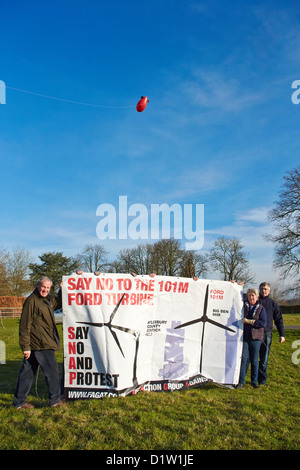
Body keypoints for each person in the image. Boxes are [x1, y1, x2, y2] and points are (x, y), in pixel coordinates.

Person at [13, 277, 64, 409]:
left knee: (27, 373)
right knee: (52, 371)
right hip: (41, 343)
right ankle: (54, 401)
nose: (45, 290)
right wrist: (25, 347)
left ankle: (19, 402)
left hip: (39, 343)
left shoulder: (46, 300)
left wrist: (62, 289)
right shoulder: (31, 301)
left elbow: (58, 303)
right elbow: (25, 325)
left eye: (47, 288)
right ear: (37, 285)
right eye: (43, 287)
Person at [237, 288, 267, 389]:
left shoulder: (261, 308)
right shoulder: (243, 306)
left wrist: (249, 322)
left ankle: (254, 382)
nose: (251, 297)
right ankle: (241, 381)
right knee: (244, 359)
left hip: (256, 338)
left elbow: (263, 323)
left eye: (253, 295)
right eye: (249, 295)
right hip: (245, 337)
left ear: (257, 296)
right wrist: (235, 284)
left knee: (254, 360)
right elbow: (236, 293)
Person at [258, 282, 285, 386]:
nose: (264, 291)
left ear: (269, 291)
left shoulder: (273, 304)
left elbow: (279, 320)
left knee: (264, 359)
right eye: (262, 289)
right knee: (252, 359)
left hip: (267, 334)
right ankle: (252, 379)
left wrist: (281, 334)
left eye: (266, 289)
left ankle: (262, 381)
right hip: (254, 333)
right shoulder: (255, 300)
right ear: (259, 290)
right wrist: (236, 286)